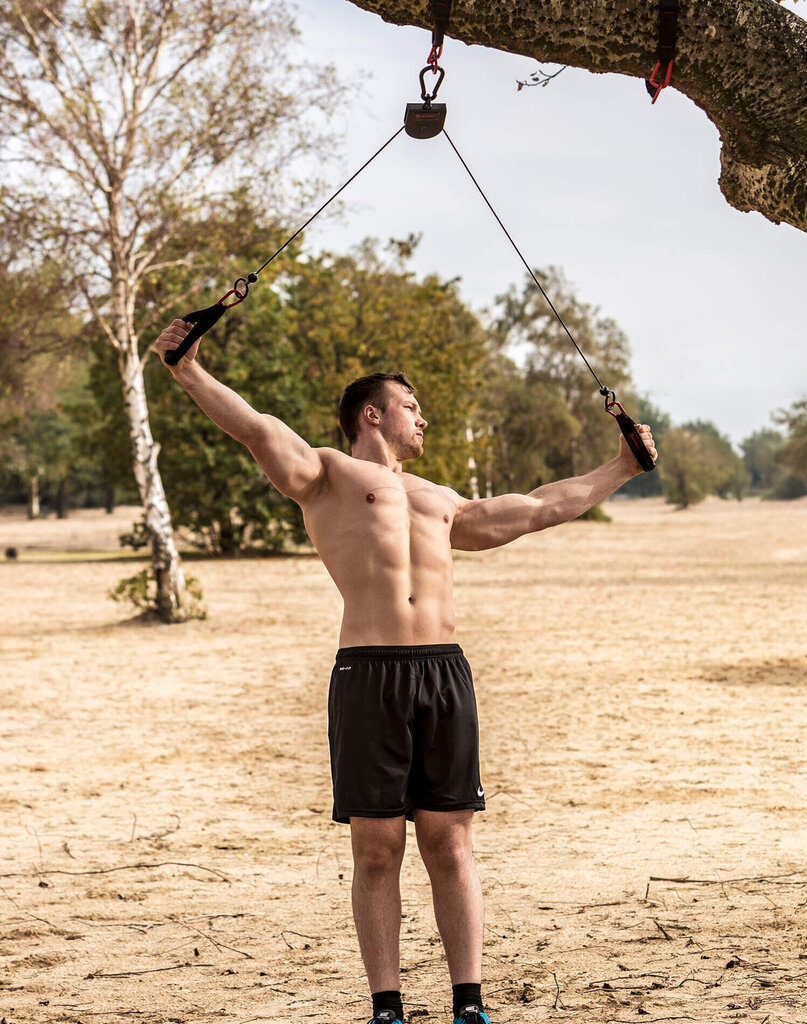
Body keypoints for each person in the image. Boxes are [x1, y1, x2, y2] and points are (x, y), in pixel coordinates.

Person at [154, 318, 658, 1024]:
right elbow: (258, 429)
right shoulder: (326, 473)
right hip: (369, 674)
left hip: (443, 674)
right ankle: (387, 1008)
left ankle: (468, 1005)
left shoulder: (442, 500)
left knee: (449, 842)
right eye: (410, 407)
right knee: (377, 847)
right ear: (373, 414)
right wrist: (187, 369)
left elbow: (543, 507)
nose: (423, 418)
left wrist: (623, 468)